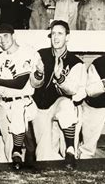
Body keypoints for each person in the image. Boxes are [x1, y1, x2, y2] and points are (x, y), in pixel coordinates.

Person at [0, 24, 38, 170]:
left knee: (30, 145)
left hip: (22, 101)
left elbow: (20, 83)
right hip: (4, 104)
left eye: (5, 36)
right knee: (8, 144)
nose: (2, 40)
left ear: (14, 35)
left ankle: (32, 173)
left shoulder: (26, 52)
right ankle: (15, 175)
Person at [30, 20, 86, 166]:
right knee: (43, 155)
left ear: (67, 37)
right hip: (40, 108)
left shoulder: (76, 62)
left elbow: (72, 90)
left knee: (66, 104)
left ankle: (70, 149)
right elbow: (33, 84)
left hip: (59, 105)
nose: (56, 37)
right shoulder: (40, 54)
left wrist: (60, 77)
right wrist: (38, 73)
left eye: (60, 33)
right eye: (53, 33)